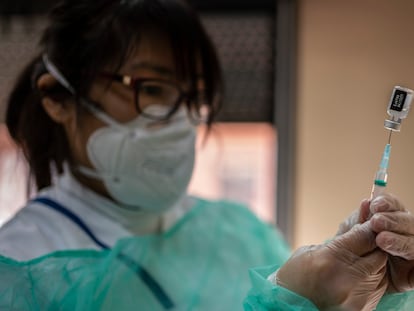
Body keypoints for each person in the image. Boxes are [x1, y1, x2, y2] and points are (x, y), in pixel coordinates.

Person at [0, 0, 413, 310]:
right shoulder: (20, 272)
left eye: (192, 98)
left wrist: (366, 291)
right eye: (152, 88)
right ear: (59, 100)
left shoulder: (234, 233)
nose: (179, 121)